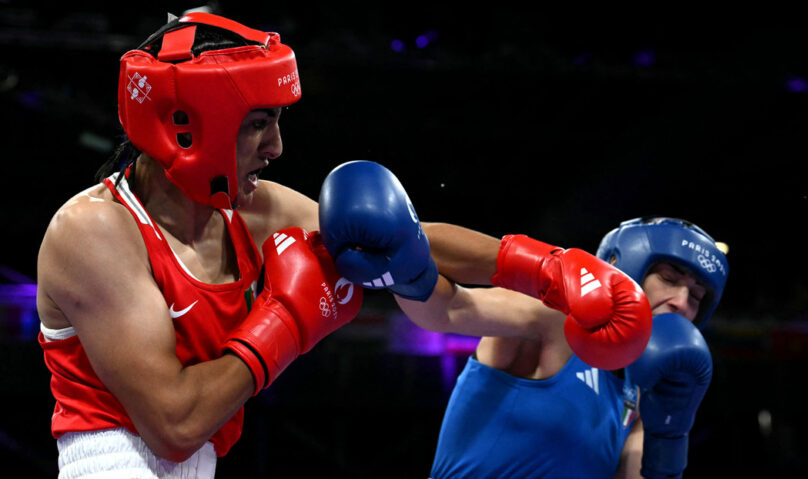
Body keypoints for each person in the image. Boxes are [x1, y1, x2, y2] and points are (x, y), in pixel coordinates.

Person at [35, 12, 368, 478]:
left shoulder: (247, 210)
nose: (275, 147)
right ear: (187, 125)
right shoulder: (93, 230)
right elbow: (176, 426)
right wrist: (285, 322)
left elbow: (386, 235)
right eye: (257, 123)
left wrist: (506, 260)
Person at [317, 162, 728, 478]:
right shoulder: (553, 319)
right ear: (625, 269)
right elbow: (450, 309)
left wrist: (671, 431)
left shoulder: (643, 398)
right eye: (670, 280)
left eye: (696, 296)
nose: (680, 303)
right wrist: (400, 257)